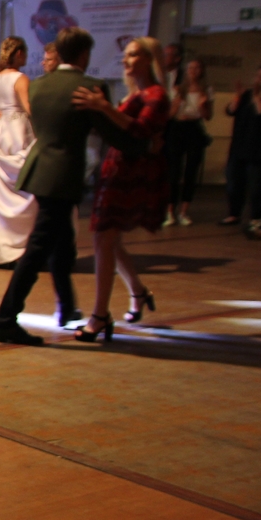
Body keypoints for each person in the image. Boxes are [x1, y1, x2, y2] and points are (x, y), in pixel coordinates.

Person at [0, 27, 143, 346]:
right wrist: (144, 143)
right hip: (63, 176)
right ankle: (6, 319)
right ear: (84, 54)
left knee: (61, 245)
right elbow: (111, 134)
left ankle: (67, 308)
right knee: (39, 249)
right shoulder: (89, 87)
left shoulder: (39, 85)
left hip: (40, 170)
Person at [71, 37, 171, 341]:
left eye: (133, 55)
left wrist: (103, 107)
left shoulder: (157, 95)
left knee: (104, 238)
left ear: (149, 59)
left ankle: (100, 316)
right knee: (108, 239)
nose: (126, 60)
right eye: (125, 55)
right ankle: (137, 292)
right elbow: (117, 128)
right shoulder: (135, 94)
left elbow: (139, 130)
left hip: (133, 174)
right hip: (117, 168)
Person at [0, 38, 38, 267]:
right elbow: (29, 108)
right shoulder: (20, 78)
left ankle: (3, 249)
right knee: (27, 189)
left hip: (1, 132)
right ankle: (23, 247)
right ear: (18, 54)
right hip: (18, 132)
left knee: (0, 190)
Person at [222, 64, 261, 227]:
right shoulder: (246, 95)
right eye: (258, 74)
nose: (260, 78)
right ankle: (234, 214)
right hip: (239, 147)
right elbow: (230, 111)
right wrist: (237, 98)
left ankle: (258, 217)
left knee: (257, 186)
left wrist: (256, 98)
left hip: (259, 150)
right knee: (234, 183)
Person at [163, 59, 213, 227]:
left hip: (194, 129)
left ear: (202, 70)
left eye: (197, 67)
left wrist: (203, 105)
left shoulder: (206, 90)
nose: (193, 70)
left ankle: (184, 212)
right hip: (177, 129)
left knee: (191, 171)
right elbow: (169, 115)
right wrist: (175, 105)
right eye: (191, 67)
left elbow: (208, 116)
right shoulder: (177, 89)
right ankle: (170, 211)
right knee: (174, 171)